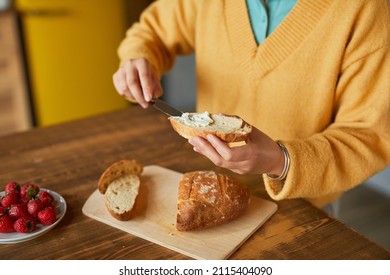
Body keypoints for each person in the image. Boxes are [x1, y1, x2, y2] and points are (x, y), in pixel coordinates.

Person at [112, 0, 390, 211]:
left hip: (302, 205)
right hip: (206, 183)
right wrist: (139, 57)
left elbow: (370, 136)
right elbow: (151, 31)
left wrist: (280, 160)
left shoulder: (368, 11)